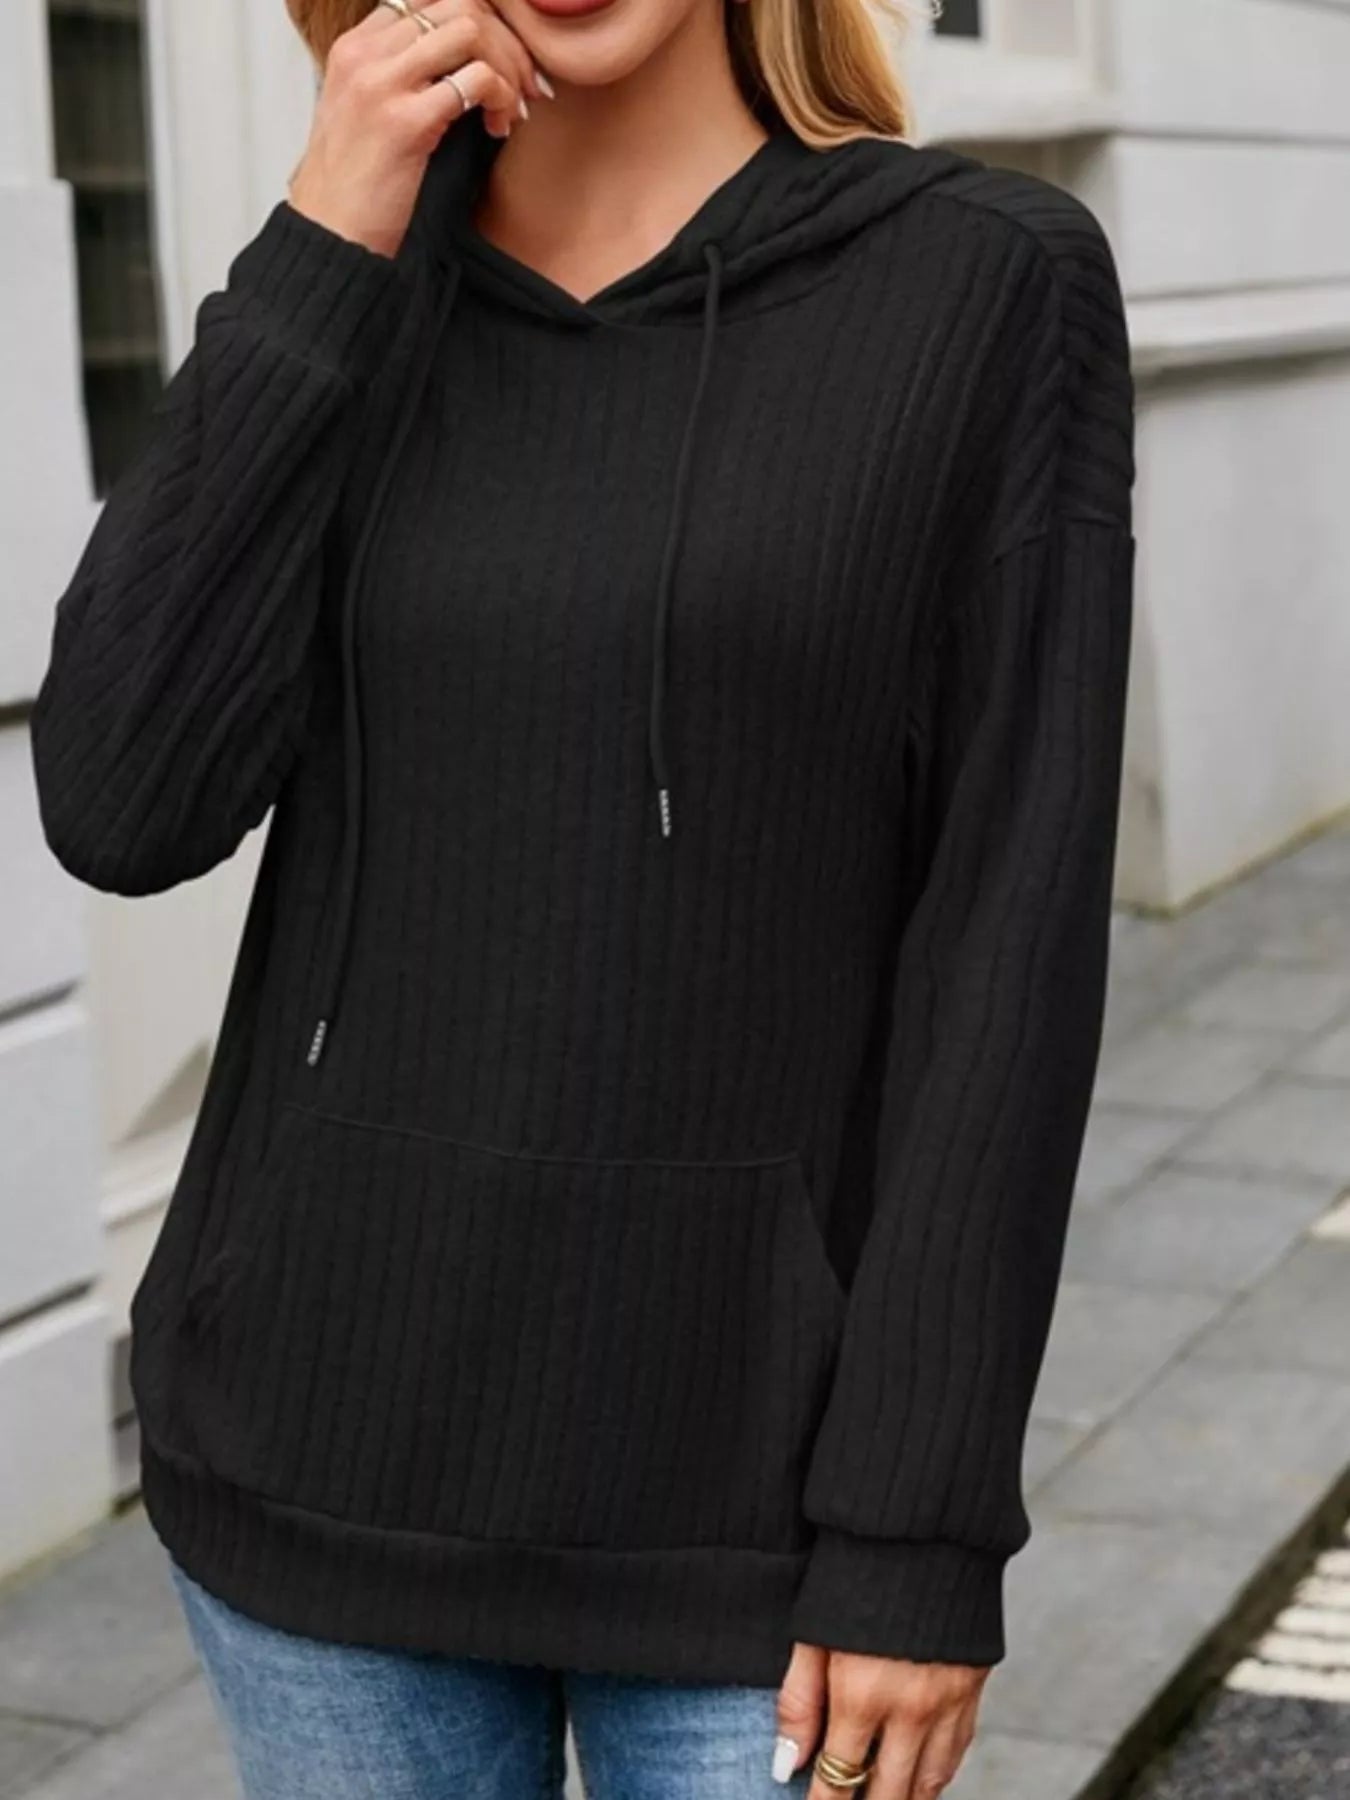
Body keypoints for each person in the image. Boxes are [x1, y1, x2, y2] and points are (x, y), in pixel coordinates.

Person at [27, 0, 1136, 1793]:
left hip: (754, 1522)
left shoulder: (983, 281)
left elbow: (1008, 934)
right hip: (316, 1464)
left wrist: (918, 1532)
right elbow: (119, 800)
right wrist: (325, 235)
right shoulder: (348, 283)